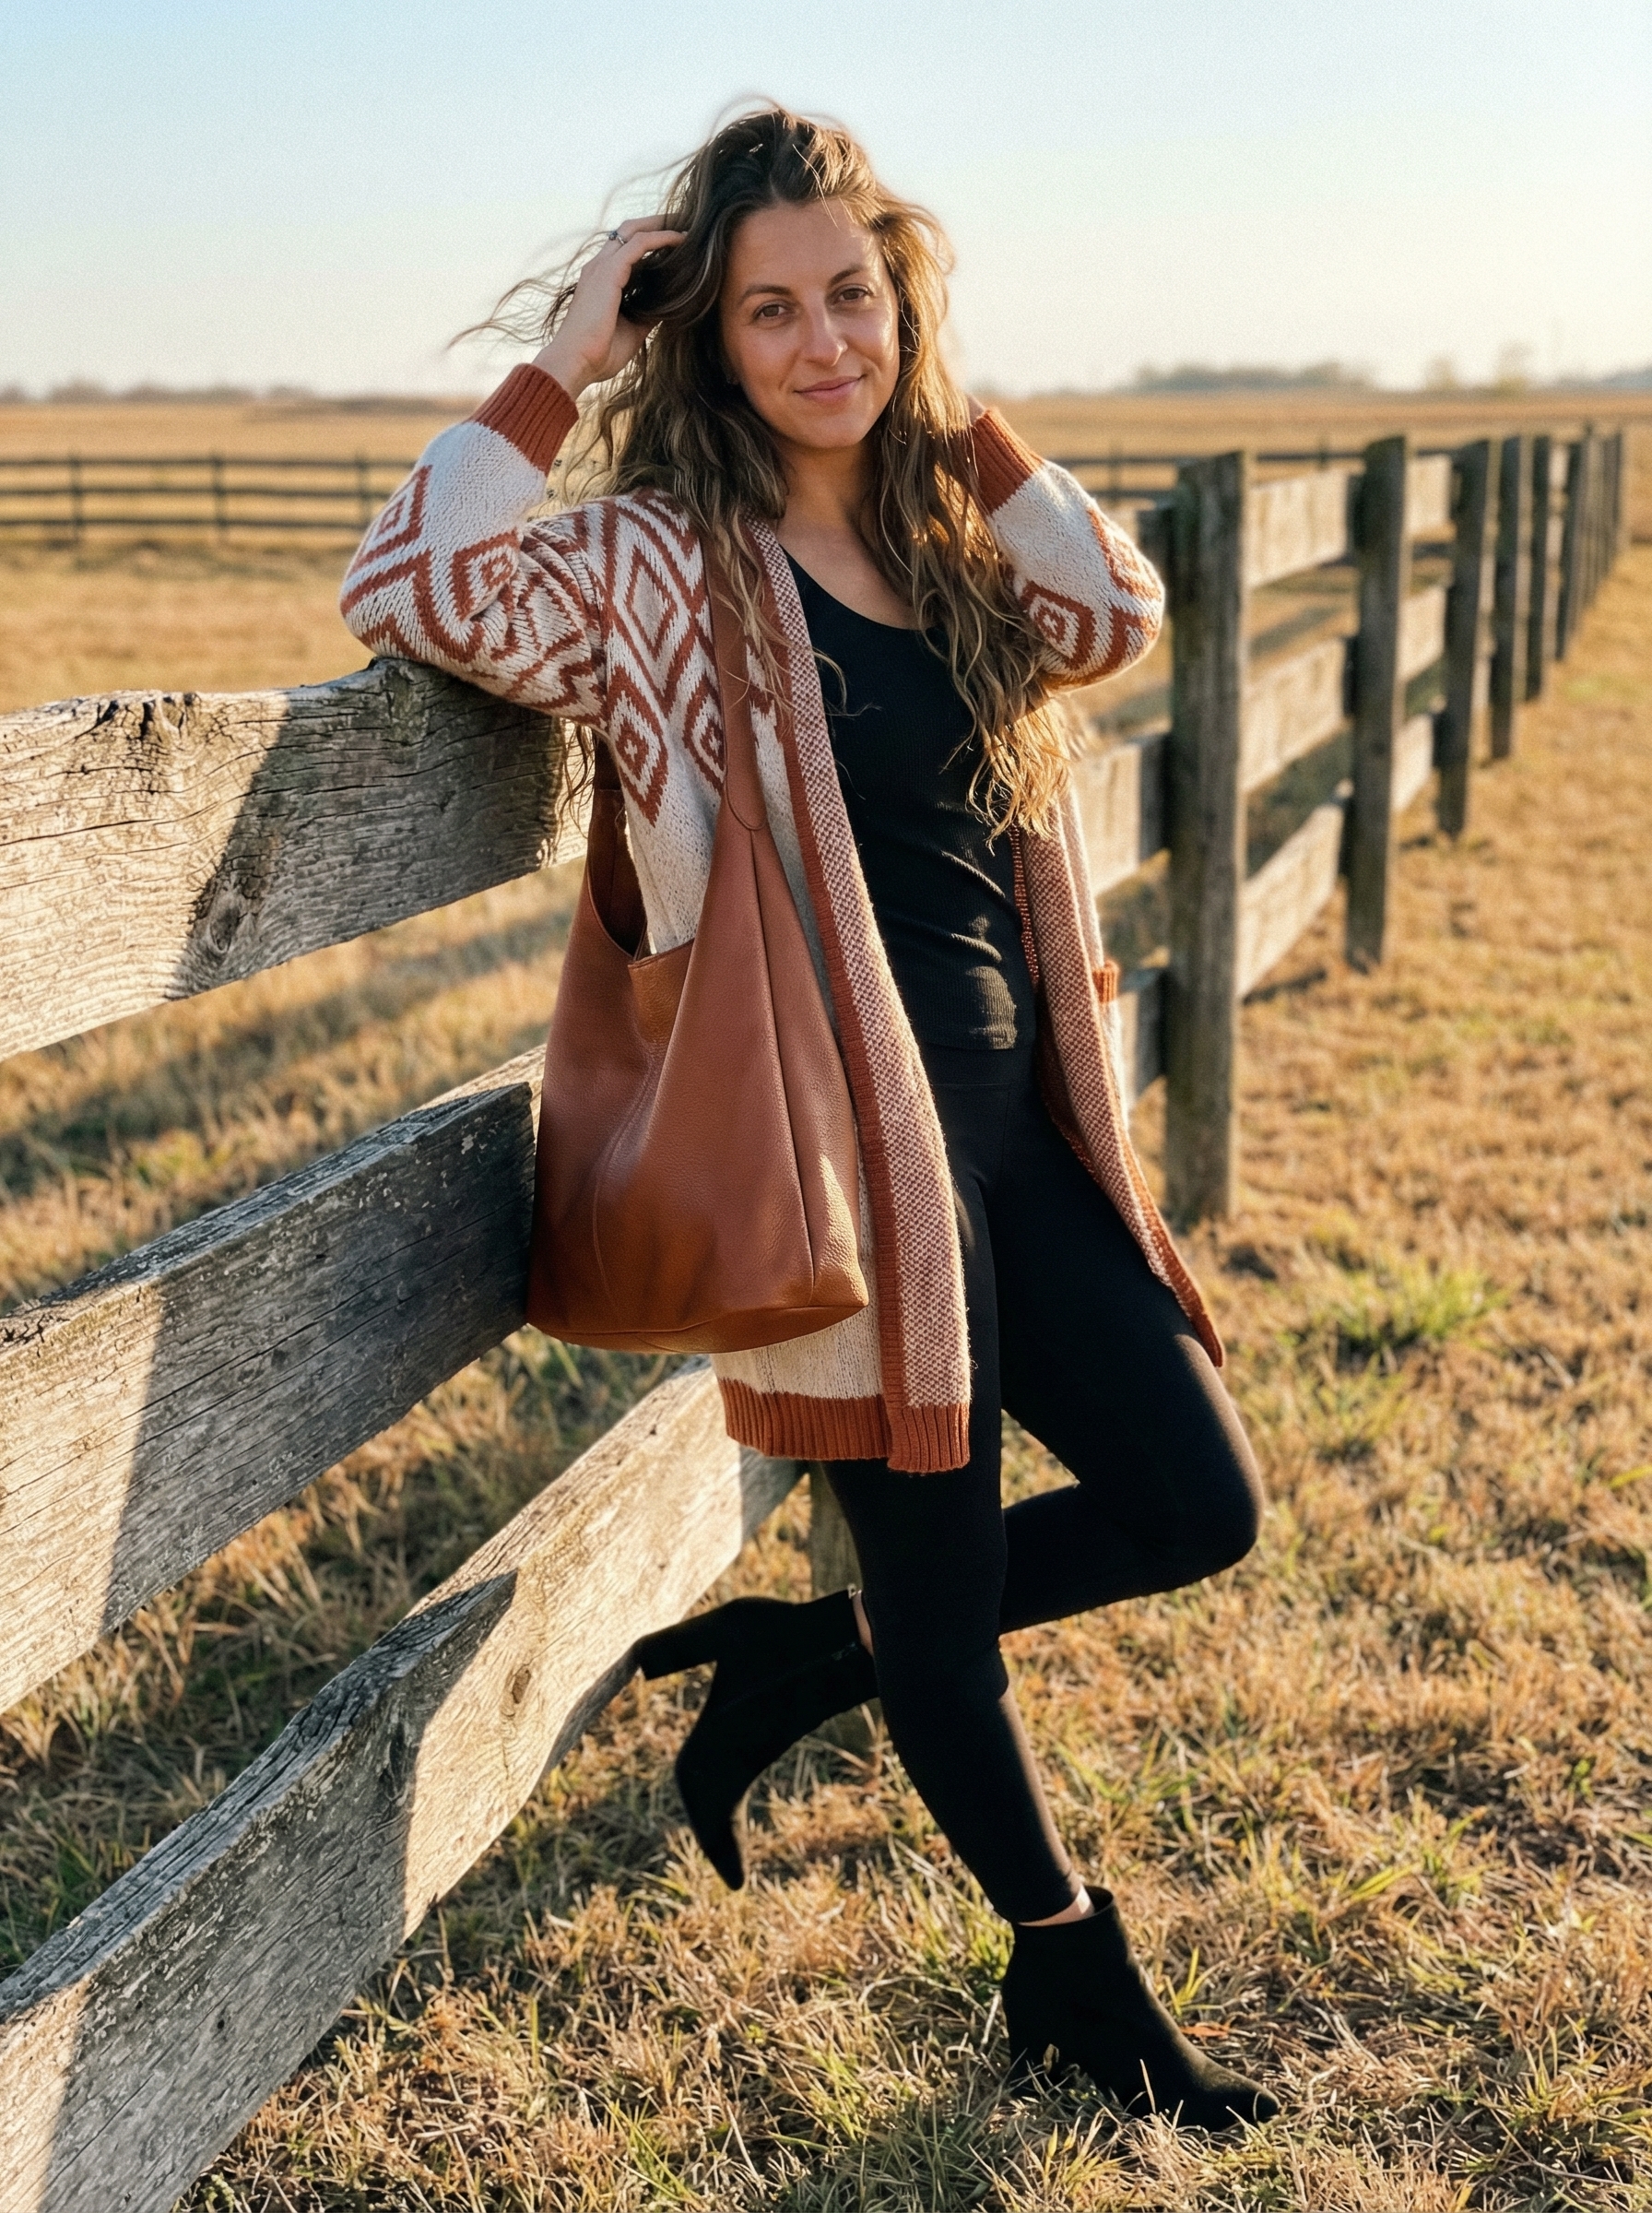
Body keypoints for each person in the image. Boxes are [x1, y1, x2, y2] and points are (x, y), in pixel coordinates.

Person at [340, 104, 1275, 2130]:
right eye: (768, 310)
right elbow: (410, 584)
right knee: (950, 1633)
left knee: (1197, 1505)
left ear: (903, 301)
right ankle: (1072, 1977)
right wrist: (568, 354)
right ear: (706, 335)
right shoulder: (661, 570)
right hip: (849, 1171)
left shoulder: (947, 544)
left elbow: (1116, 610)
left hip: (1020, 1137)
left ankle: (802, 1658)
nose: (821, 341)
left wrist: (956, 418)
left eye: (853, 295)